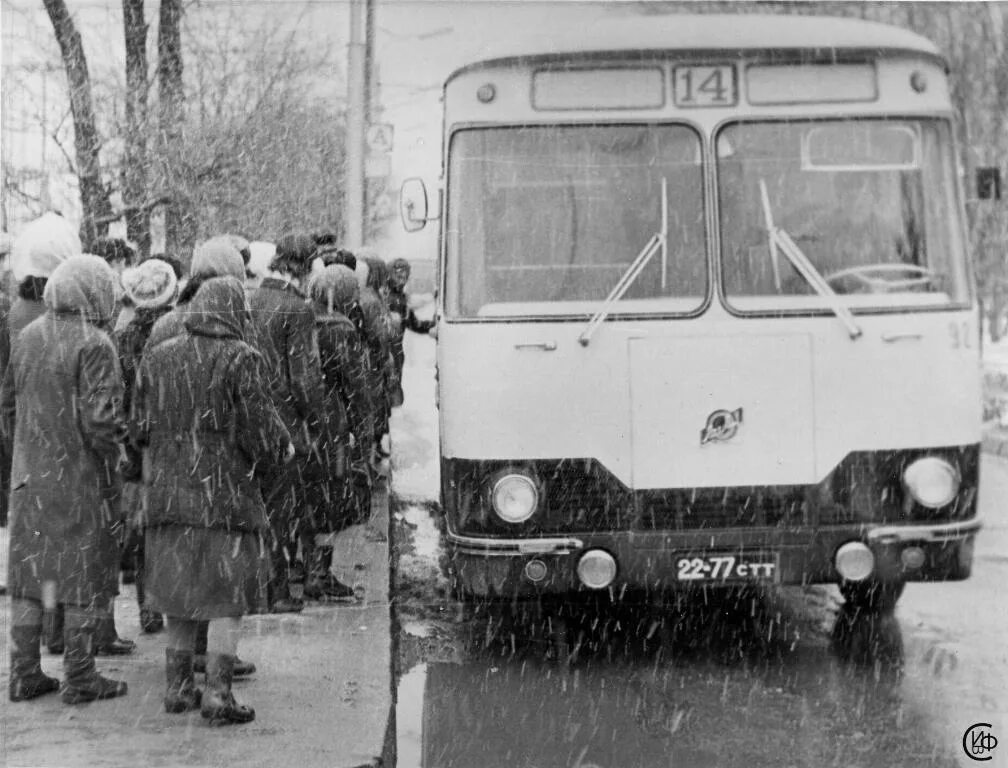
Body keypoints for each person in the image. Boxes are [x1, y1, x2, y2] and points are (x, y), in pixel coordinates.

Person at [135, 275, 292, 724]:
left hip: (167, 495)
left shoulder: (158, 356)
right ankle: (218, 695)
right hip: (225, 496)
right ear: (234, 313)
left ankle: (178, 688)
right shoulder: (241, 358)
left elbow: (137, 428)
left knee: (180, 595)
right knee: (227, 598)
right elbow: (261, 432)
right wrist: (282, 452)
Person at [4, 254, 132, 704]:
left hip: (29, 479)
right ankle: (80, 675)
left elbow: (7, 406)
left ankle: (23, 672)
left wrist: (26, 451)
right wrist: (120, 451)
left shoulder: (26, 337)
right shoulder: (95, 343)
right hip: (79, 479)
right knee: (84, 575)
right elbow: (101, 421)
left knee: (29, 578)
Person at [249, 234, 326, 612]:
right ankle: (275, 592)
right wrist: (317, 420)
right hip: (285, 424)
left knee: (255, 505)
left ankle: (253, 588)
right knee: (282, 509)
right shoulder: (298, 309)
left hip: (251, 418)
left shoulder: (251, 298)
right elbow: (303, 377)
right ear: (306, 267)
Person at [115, 258, 179, 634]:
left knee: (141, 527)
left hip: (138, 445)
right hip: (170, 441)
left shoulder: (124, 337)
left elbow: (121, 393)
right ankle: (171, 606)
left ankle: (147, 607)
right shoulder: (175, 331)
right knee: (170, 527)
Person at [303, 264, 374, 599]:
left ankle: (297, 566)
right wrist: (364, 432)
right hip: (331, 421)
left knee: (302, 494)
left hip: (297, 414)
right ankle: (319, 572)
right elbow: (357, 386)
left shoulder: (298, 316)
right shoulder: (340, 328)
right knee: (330, 495)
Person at [387, 258, 434, 407]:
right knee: (390, 396)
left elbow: (412, 323)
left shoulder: (400, 298)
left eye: (405, 277)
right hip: (389, 353)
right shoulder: (389, 298)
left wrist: (432, 325)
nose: (402, 281)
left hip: (395, 352)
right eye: (398, 276)